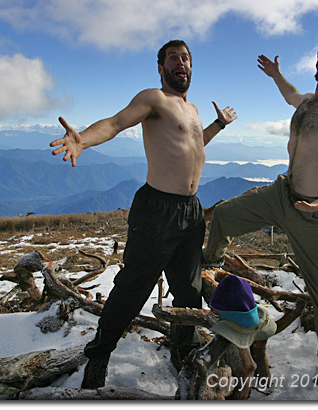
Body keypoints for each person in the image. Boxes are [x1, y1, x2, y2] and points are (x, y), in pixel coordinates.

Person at [50, 39, 237, 389]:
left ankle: (182, 348)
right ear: (161, 67)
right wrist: (83, 140)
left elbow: (192, 147)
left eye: (186, 58)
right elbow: (116, 122)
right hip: (156, 211)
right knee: (132, 288)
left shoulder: (192, 110)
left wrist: (218, 125)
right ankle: (99, 354)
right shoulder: (154, 98)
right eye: (173, 58)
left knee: (188, 289)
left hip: (190, 212)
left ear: (191, 67)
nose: (180, 62)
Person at [202, 38, 318, 386]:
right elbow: (291, 94)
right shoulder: (306, 102)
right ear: (317, 66)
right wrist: (276, 74)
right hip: (282, 192)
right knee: (227, 214)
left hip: (316, 209)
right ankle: (210, 260)